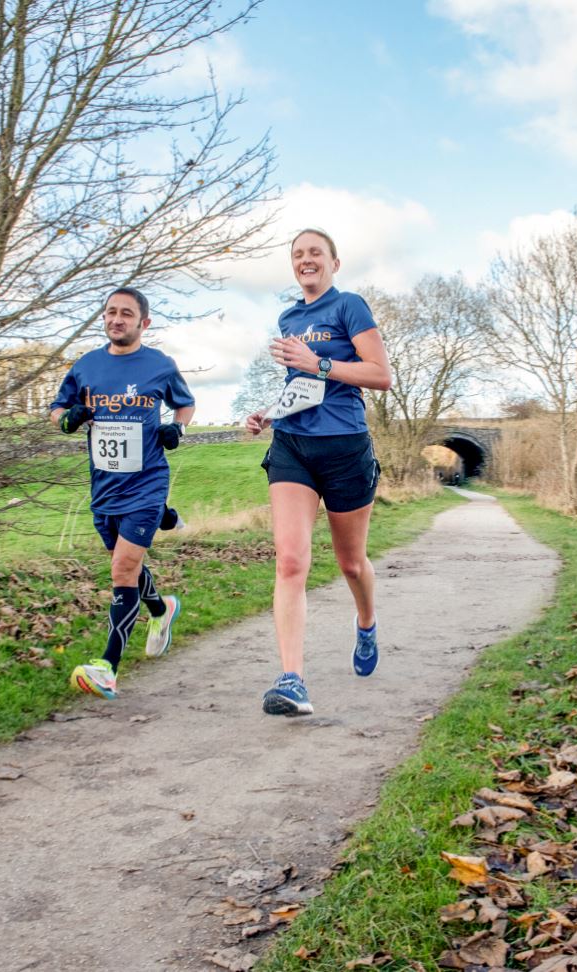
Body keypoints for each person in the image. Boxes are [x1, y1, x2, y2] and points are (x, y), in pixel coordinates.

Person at [245, 229, 392, 717]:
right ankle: (292, 679)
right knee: (290, 561)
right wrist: (268, 413)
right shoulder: (289, 317)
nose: (306, 260)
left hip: (345, 447)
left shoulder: (349, 305)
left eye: (315, 253)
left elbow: (380, 376)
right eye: (298, 255)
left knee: (350, 563)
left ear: (333, 262)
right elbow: (299, 387)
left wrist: (321, 362)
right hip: (293, 447)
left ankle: (366, 621)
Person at [50, 286, 195, 699]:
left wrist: (176, 428)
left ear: (143, 323)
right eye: (111, 312)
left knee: (121, 571)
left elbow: (185, 405)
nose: (117, 319)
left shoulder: (159, 365)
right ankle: (160, 608)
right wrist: (68, 420)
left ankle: (107, 668)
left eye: (126, 314)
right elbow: (57, 409)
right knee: (124, 566)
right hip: (104, 487)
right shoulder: (86, 366)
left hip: (147, 484)